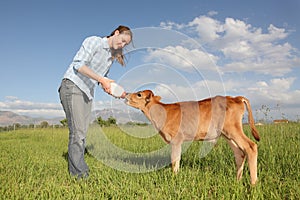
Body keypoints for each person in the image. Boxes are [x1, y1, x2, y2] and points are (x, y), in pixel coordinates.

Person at [58, 25, 132, 179]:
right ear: (116, 33)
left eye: (126, 44)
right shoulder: (94, 42)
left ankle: (78, 169)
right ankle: (80, 175)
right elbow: (78, 65)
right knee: (77, 133)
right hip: (73, 85)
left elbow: (100, 81)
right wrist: (101, 79)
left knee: (82, 133)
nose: (123, 45)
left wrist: (116, 91)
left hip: (86, 91)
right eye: (123, 40)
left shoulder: (110, 58)